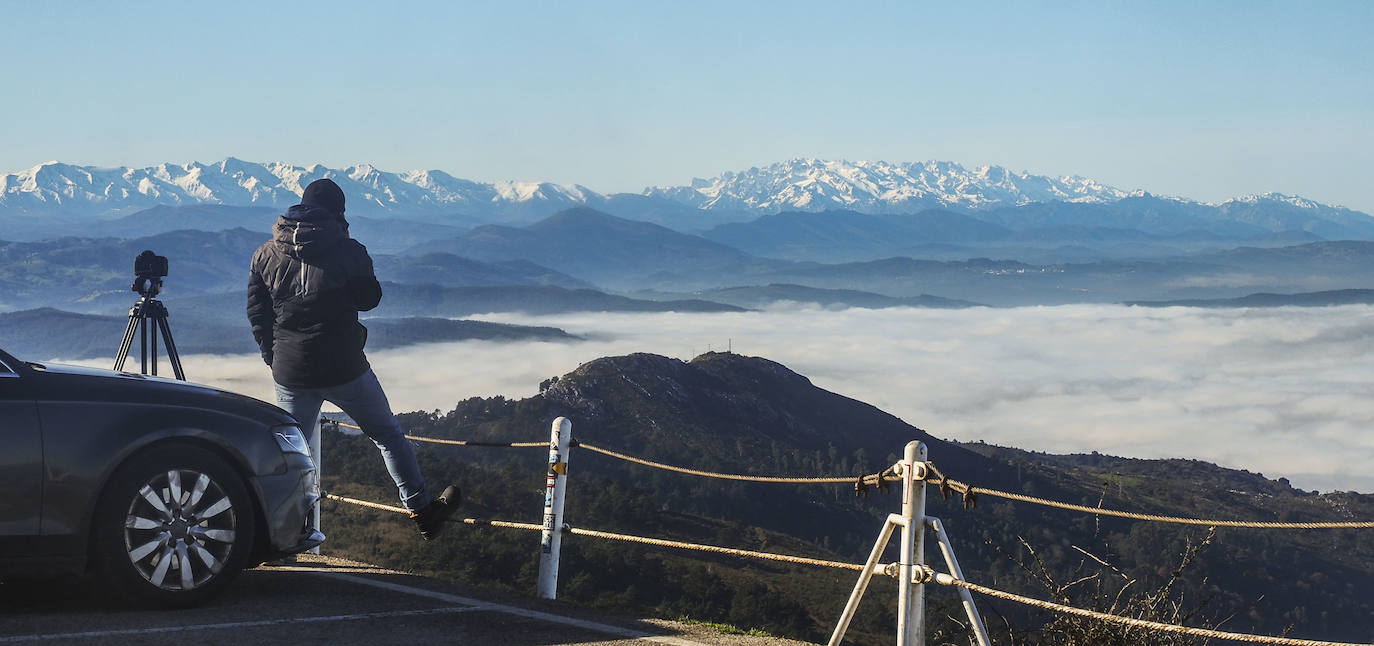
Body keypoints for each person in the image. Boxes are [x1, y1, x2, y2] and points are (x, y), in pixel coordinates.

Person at [247, 178, 459, 539]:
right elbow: (368, 299)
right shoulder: (349, 250)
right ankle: (423, 511)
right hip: (344, 365)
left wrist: (273, 357)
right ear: (338, 213)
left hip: (291, 369)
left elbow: (257, 314)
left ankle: (273, 529)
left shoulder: (265, 253)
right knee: (387, 435)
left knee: (291, 450)